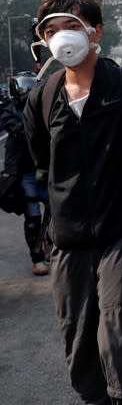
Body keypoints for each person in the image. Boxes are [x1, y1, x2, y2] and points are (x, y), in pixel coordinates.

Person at [23, 0, 122, 404]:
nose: (61, 37)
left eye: (71, 26)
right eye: (51, 31)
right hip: (69, 242)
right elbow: (42, 163)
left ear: (95, 30)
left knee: (120, 347)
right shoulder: (42, 98)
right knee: (81, 358)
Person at [0, 72, 49, 275]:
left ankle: (48, 243)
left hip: (46, 169)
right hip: (26, 173)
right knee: (32, 216)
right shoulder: (8, 111)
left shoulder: (44, 108)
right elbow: (18, 130)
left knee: (58, 209)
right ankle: (37, 257)